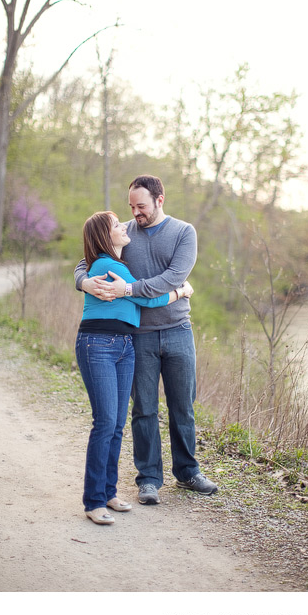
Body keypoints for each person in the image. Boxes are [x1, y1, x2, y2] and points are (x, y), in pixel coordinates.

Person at [74, 175, 218, 505]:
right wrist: (84, 283)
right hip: (137, 336)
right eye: (132, 207)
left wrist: (127, 290)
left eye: (142, 206)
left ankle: (188, 472)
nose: (136, 213)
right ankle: (149, 478)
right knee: (144, 409)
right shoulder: (122, 232)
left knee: (183, 404)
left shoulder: (184, 233)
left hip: (178, 329)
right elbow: (86, 261)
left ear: (159, 200)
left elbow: (172, 279)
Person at [76, 211, 193, 524]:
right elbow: (149, 300)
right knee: (105, 422)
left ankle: (109, 492)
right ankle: (94, 501)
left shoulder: (118, 262)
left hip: (126, 344)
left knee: (115, 425)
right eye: (116, 225)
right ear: (105, 236)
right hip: (98, 344)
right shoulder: (107, 265)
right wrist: (182, 291)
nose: (124, 225)